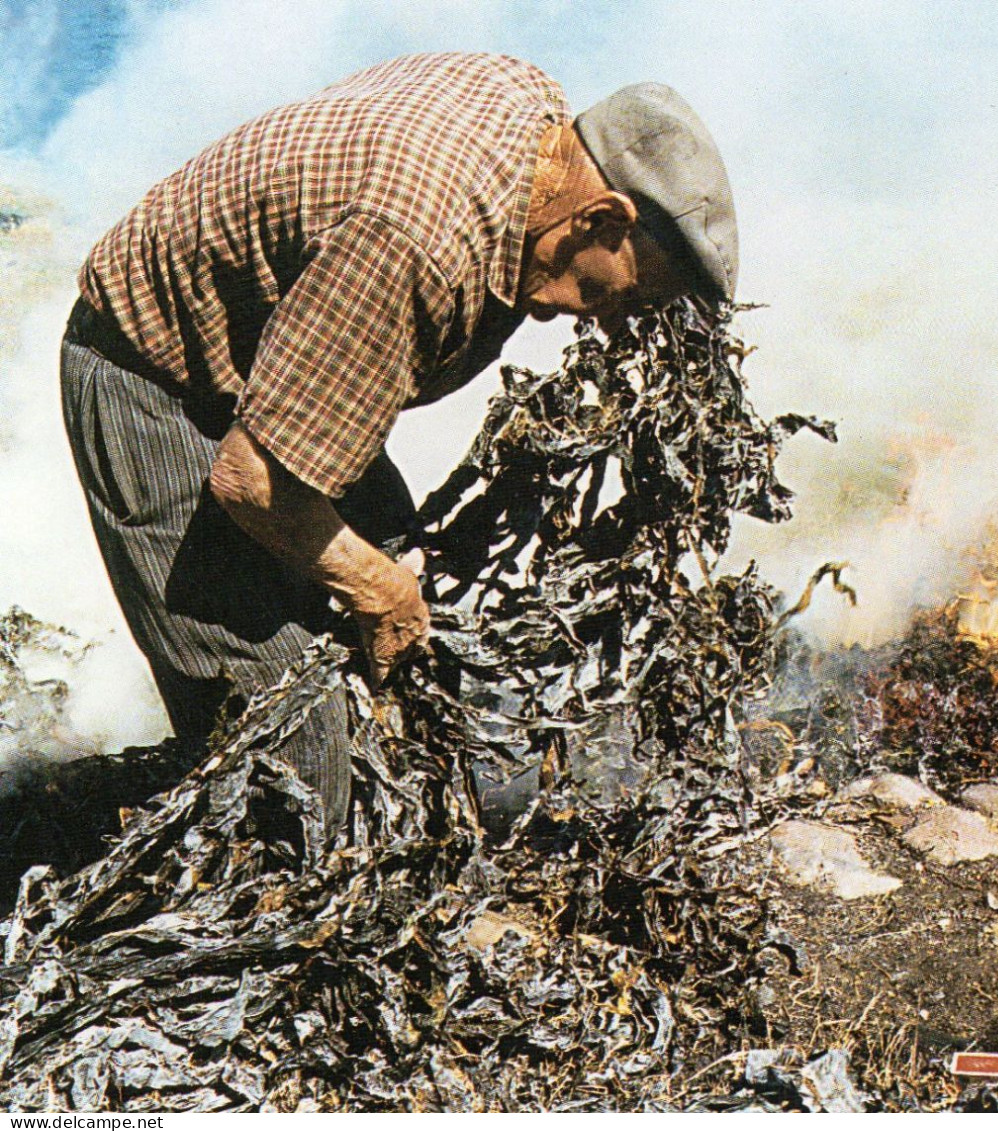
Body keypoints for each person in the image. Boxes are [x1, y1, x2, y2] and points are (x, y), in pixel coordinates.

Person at [59, 52, 738, 831]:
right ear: (603, 219)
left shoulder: (535, 117)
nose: (616, 322)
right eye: (629, 295)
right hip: (154, 373)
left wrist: (384, 579)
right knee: (293, 760)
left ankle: (406, 846)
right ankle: (278, 899)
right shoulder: (419, 244)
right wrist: (375, 586)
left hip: (276, 355)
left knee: (417, 643)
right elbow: (253, 480)